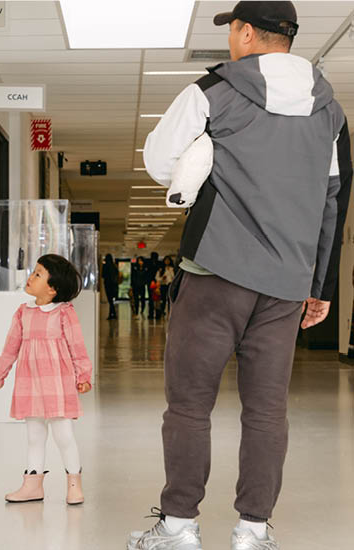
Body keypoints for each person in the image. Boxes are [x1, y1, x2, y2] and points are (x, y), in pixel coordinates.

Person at [129, 3, 352, 550]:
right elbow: (334, 200)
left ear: (246, 32)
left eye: (232, 29)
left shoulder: (212, 91)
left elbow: (159, 162)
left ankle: (179, 526)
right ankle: (253, 530)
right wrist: (320, 288)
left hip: (214, 273)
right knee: (267, 411)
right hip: (285, 287)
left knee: (189, 404)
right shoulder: (330, 111)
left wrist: (205, 154)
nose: (231, 39)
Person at [0, 254, 93, 505]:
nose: (31, 277)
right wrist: (0, 373)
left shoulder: (64, 313)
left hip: (57, 384)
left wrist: (83, 375)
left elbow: (77, 347)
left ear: (52, 289)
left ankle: (74, 484)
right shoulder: (23, 312)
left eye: (38, 274)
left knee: (63, 435)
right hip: (30, 383)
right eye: (34, 271)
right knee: (34, 436)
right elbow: (11, 347)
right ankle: (32, 486)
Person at [102, 254, 119, 320]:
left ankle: (112, 314)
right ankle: (112, 314)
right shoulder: (114, 266)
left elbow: (103, 275)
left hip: (107, 285)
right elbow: (117, 274)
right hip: (114, 285)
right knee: (111, 300)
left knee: (110, 300)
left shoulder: (105, 266)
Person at [146, 252, 162, 319]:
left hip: (153, 283)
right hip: (154, 283)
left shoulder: (149, 263)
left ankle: (152, 314)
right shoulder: (159, 263)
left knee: (153, 299)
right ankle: (156, 314)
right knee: (156, 299)